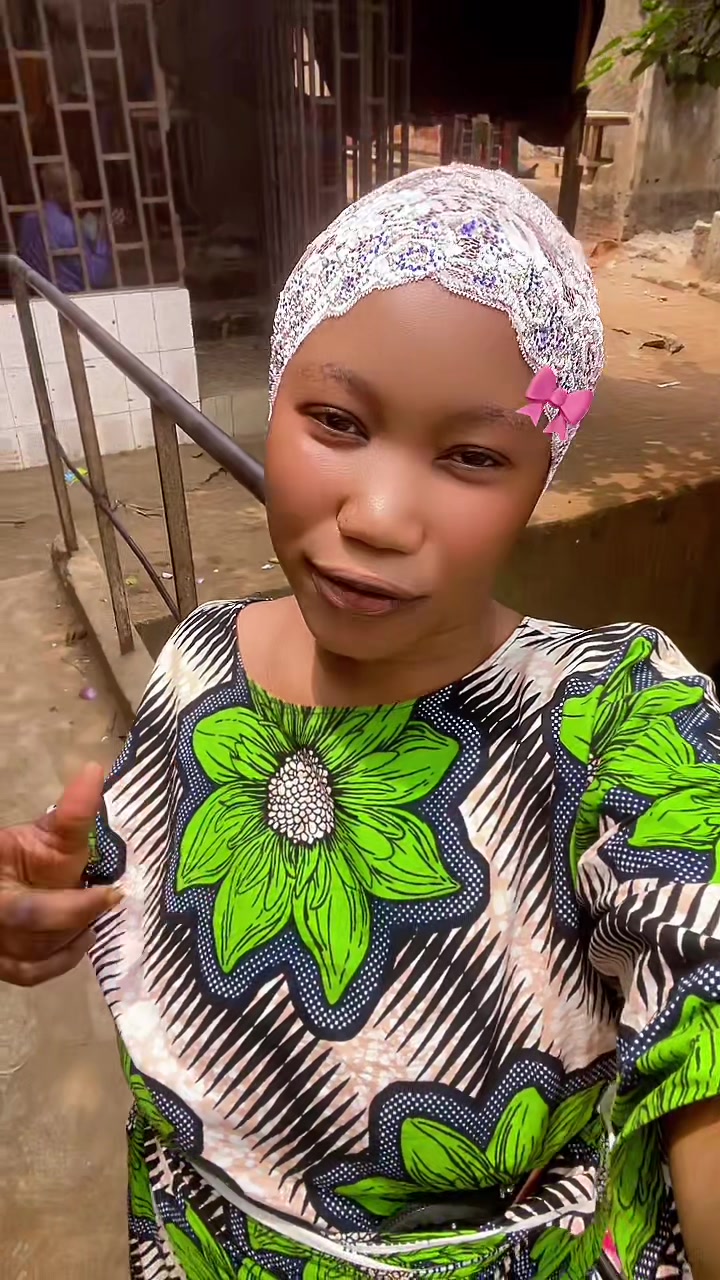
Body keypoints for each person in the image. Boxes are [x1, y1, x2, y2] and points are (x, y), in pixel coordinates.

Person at [1, 164, 719, 1280]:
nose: (379, 516)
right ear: (275, 394)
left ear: (541, 476)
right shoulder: (197, 657)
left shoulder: (618, 717)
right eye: (336, 421)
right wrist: (65, 905)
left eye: (473, 456)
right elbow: (157, 914)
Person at [18, 163, 117, 292]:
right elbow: (96, 276)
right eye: (77, 192)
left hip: (37, 294)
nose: (82, 199)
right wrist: (104, 230)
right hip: (68, 297)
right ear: (55, 193)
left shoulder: (28, 219)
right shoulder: (65, 227)